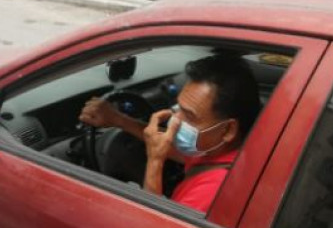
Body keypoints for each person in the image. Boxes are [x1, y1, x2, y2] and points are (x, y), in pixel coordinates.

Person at [79, 54, 261, 213]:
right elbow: (181, 154)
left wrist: (155, 161)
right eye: (178, 108)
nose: (174, 120)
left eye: (189, 115)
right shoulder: (224, 151)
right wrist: (120, 120)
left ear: (228, 130)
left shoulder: (212, 191)